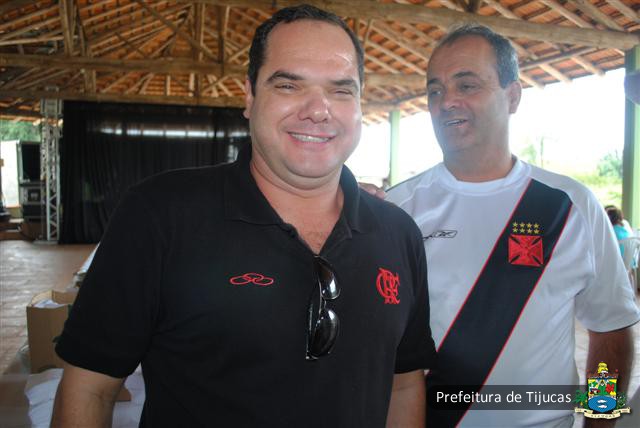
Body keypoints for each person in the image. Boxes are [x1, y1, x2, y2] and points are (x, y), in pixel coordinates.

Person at [51, 5, 436, 427]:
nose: (318, 109)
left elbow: (403, 385)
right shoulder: (160, 215)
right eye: (288, 85)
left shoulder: (399, 234)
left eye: (341, 90)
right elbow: (90, 387)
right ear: (250, 96)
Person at [385, 24, 640, 427]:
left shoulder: (569, 205)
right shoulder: (397, 210)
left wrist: (599, 419)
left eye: (467, 85)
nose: (446, 101)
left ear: (513, 96)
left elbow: (610, 330)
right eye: (435, 90)